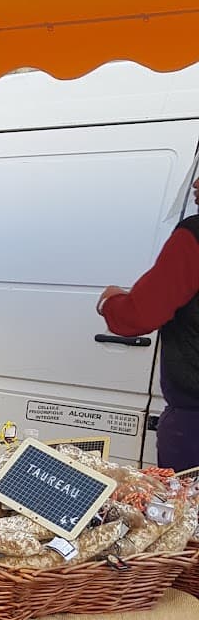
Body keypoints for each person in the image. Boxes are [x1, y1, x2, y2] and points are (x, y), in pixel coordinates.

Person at [97, 183, 199, 470]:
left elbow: (138, 315)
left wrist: (110, 300)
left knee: (181, 510)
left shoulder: (193, 236)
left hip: (193, 420)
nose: (193, 183)